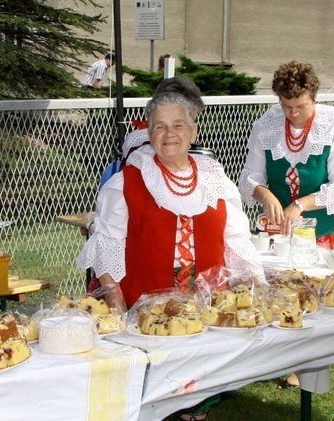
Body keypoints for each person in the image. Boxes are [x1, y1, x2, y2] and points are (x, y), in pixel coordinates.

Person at [77, 85, 264, 310]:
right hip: (147, 318)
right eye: (160, 127)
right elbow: (107, 255)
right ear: (149, 134)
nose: (169, 134)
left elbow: (237, 244)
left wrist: (258, 294)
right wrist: (121, 317)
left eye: (178, 125)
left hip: (212, 314)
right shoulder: (125, 183)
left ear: (193, 132)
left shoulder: (216, 179)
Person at [238, 60, 334, 253]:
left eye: (301, 106)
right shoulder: (266, 129)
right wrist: (265, 195)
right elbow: (250, 176)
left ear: (314, 98)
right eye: (287, 106)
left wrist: (299, 204)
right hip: (281, 237)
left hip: (328, 233)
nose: (293, 113)